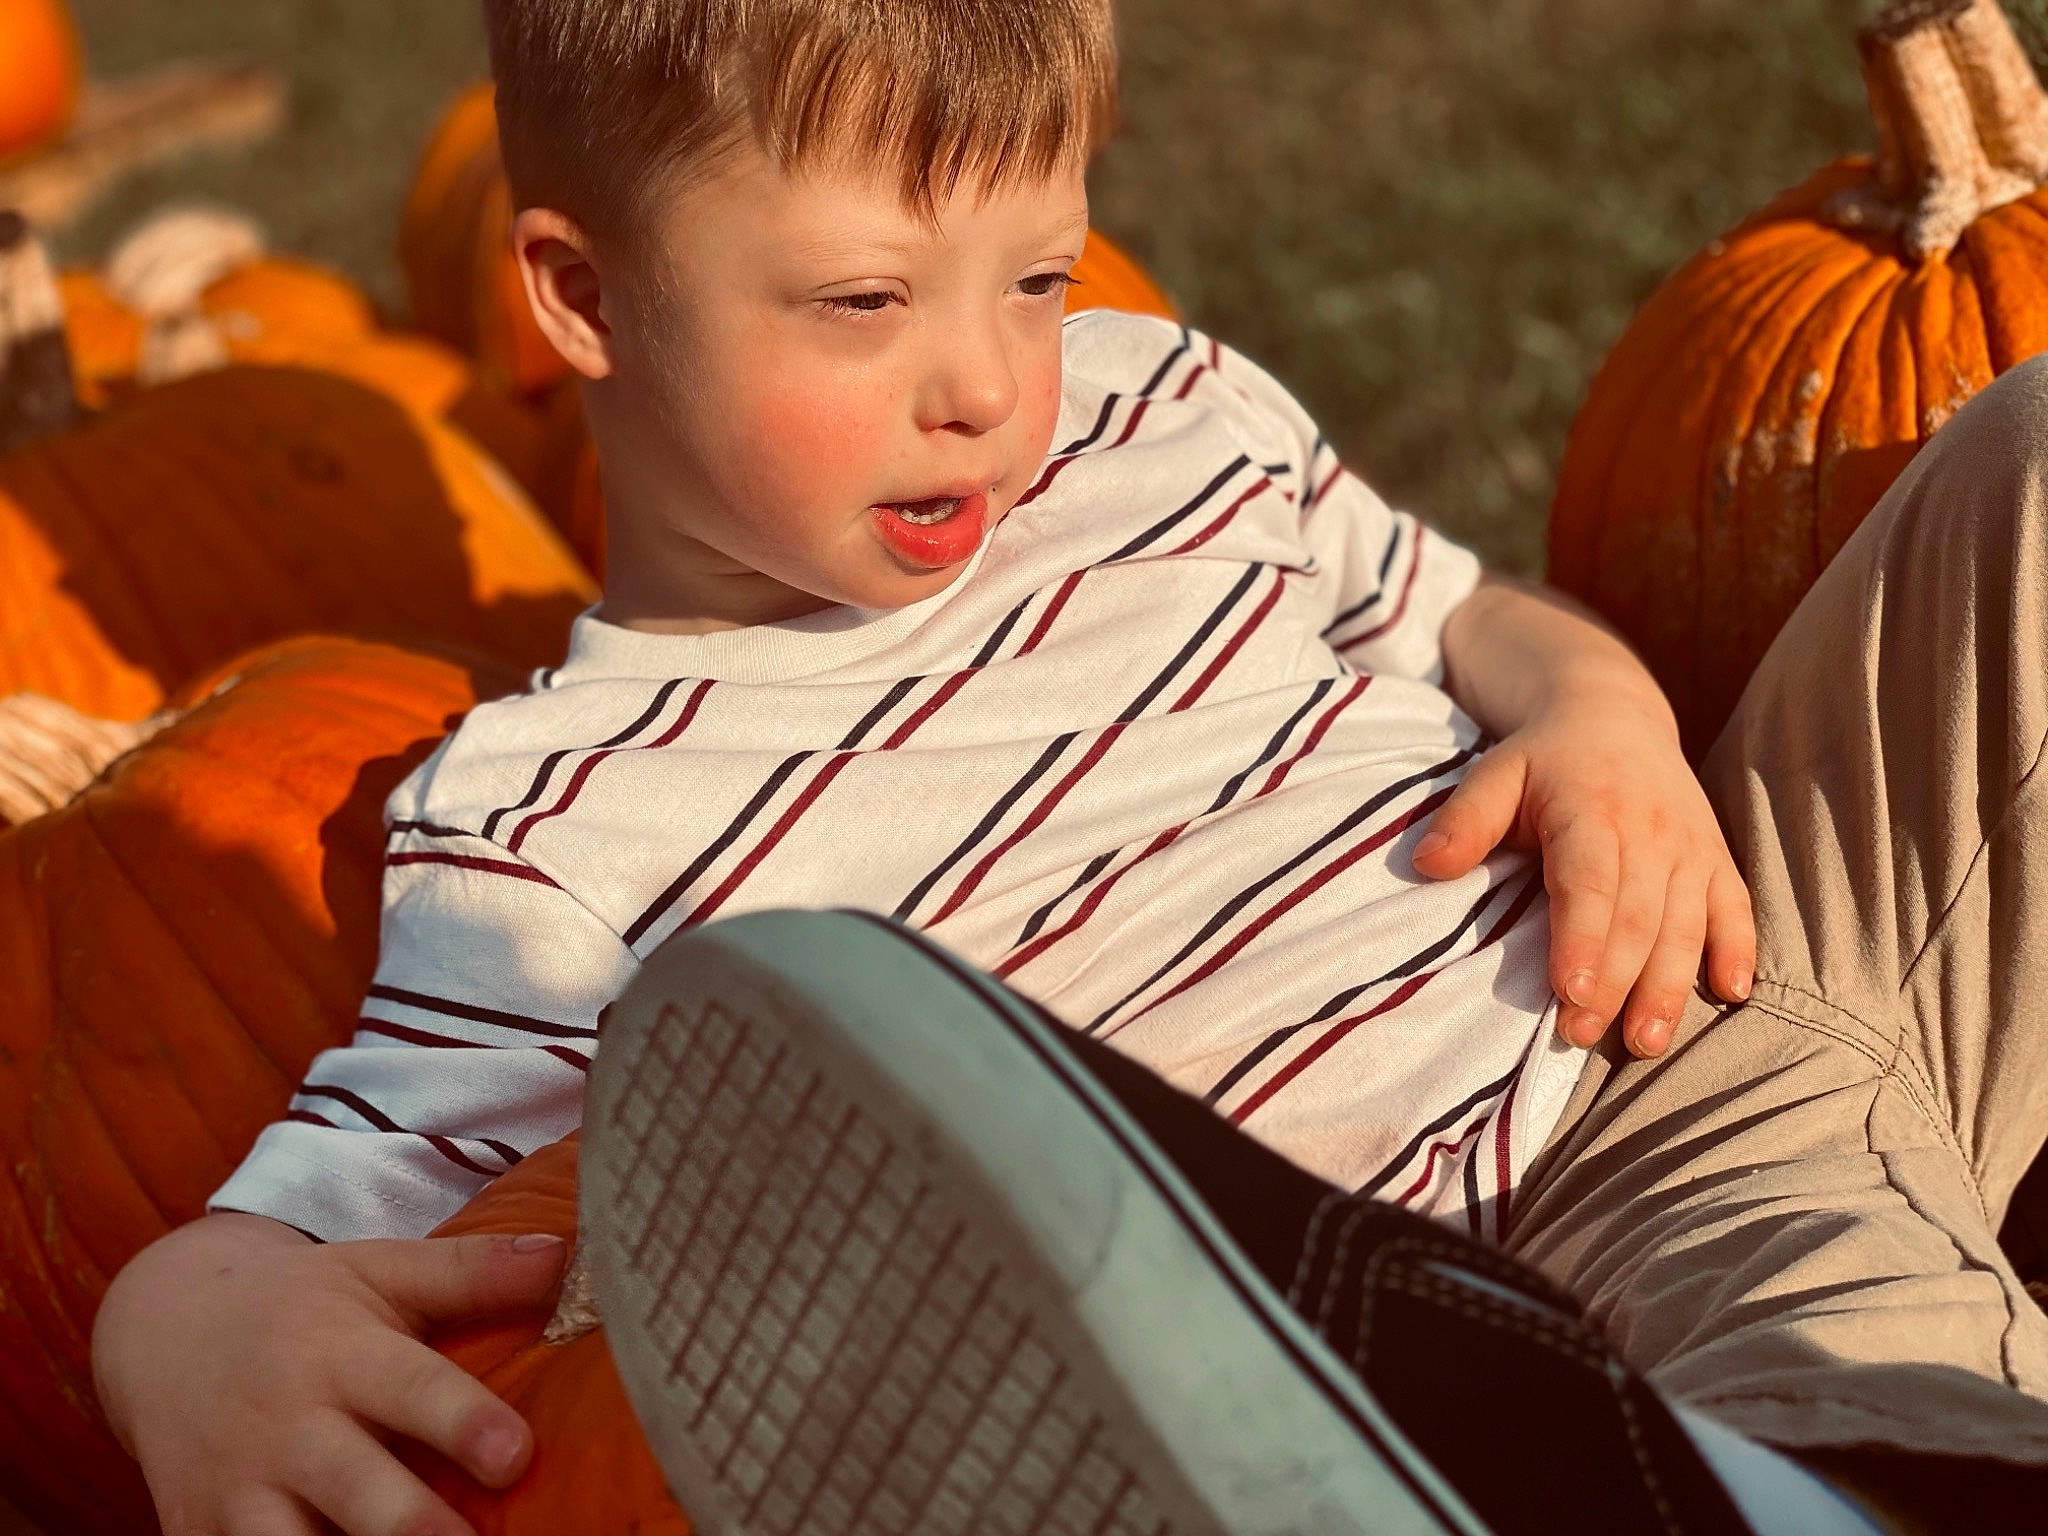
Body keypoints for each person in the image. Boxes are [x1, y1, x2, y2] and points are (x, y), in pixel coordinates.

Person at [82, 0, 2048, 1531]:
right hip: (1330, 1325)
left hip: (1647, 1036)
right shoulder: (560, 826)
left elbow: (1465, 612)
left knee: (2021, 464)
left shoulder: (1156, 406)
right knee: (1834, 1338)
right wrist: (176, 1323)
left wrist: (1593, 710)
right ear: (583, 296)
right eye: (865, 301)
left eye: (1038, 273)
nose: (986, 384)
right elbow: (320, 1213)